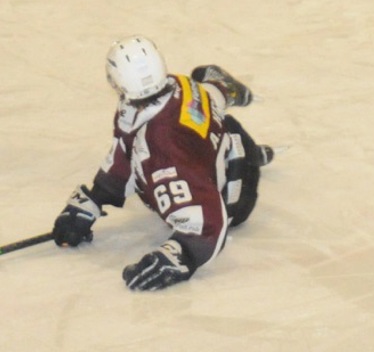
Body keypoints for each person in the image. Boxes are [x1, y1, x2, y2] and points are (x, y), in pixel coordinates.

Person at [50, 36, 273, 291]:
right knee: (205, 95)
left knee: (193, 167)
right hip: (222, 139)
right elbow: (126, 149)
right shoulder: (178, 85)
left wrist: (180, 254)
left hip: (233, 195)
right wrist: (94, 199)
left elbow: (208, 222)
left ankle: (249, 155)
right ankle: (226, 100)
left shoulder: (160, 152)